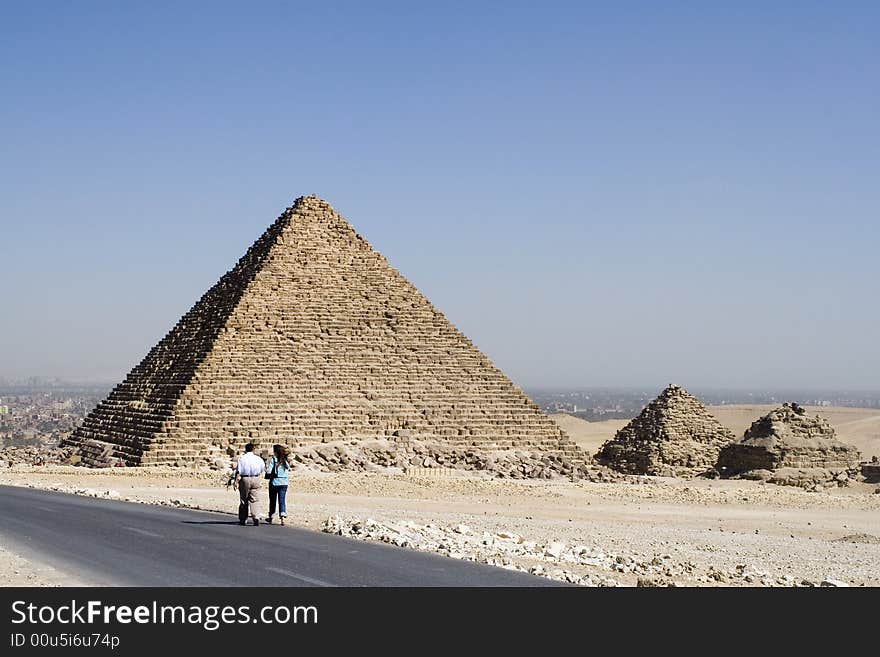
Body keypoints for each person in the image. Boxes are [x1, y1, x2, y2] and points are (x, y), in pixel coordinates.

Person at [232, 443, 265, 526]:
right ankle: (256, 517)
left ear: (245, 449)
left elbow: (238, 471)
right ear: (253, 449)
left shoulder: (242, 459)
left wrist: (235, 481)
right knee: (255, 499)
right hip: (256, 478)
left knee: (244, 499)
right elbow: (262, 469)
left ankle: (243, 519)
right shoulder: (258, 459)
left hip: (245, 479)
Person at [265, 444, 291, 525]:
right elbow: (288, 469)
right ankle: (282, 516)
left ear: (275, 452)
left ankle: (271, 516)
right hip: (284, 482)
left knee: (272, 500)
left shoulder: (273, 459)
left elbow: (269, 471)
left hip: (275, 482)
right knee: (282, 500)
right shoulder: (285, 460)